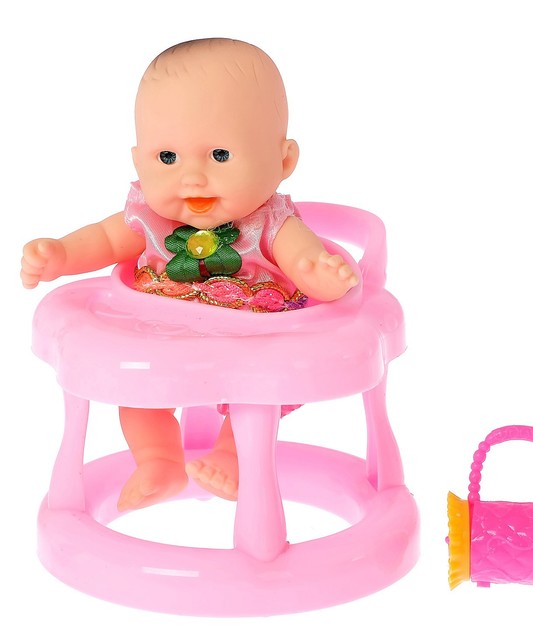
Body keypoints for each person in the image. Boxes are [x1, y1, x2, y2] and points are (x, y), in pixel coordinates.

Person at [20, 38, 358, 511]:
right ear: (139, 160)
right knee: (135, 394)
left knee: (255, 396)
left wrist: (322, 274)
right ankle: (157, 462)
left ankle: (231, 456)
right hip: (157, 331)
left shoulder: (271, 222)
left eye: (219, 156)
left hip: (250, 341)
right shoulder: (148, 216)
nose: (192, 178)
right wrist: (59, 255)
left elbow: (303, 259)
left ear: (282, 161)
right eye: (167, 158)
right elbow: (104, 241)